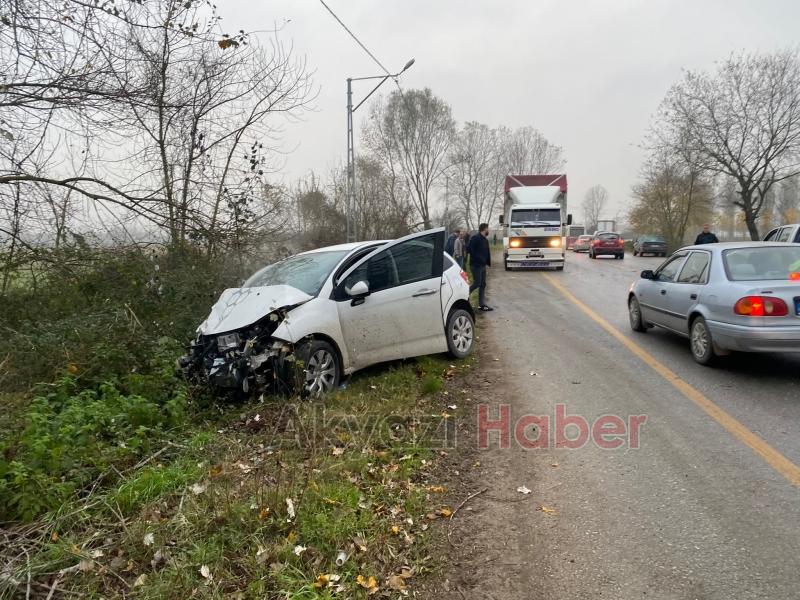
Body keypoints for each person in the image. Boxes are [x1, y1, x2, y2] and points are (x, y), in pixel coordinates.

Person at [467, 223, 493, 312]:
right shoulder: (475, 238)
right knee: (477, 283)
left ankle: (482, 305)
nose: (488, 230)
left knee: (483, 284)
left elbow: (486, 253)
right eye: (487, 229)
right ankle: (464, 295)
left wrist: (487, 263)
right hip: (475, 265)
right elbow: (469, 249)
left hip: (482, 266)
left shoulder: (485, 240)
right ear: (484, 229)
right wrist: (478, 259)